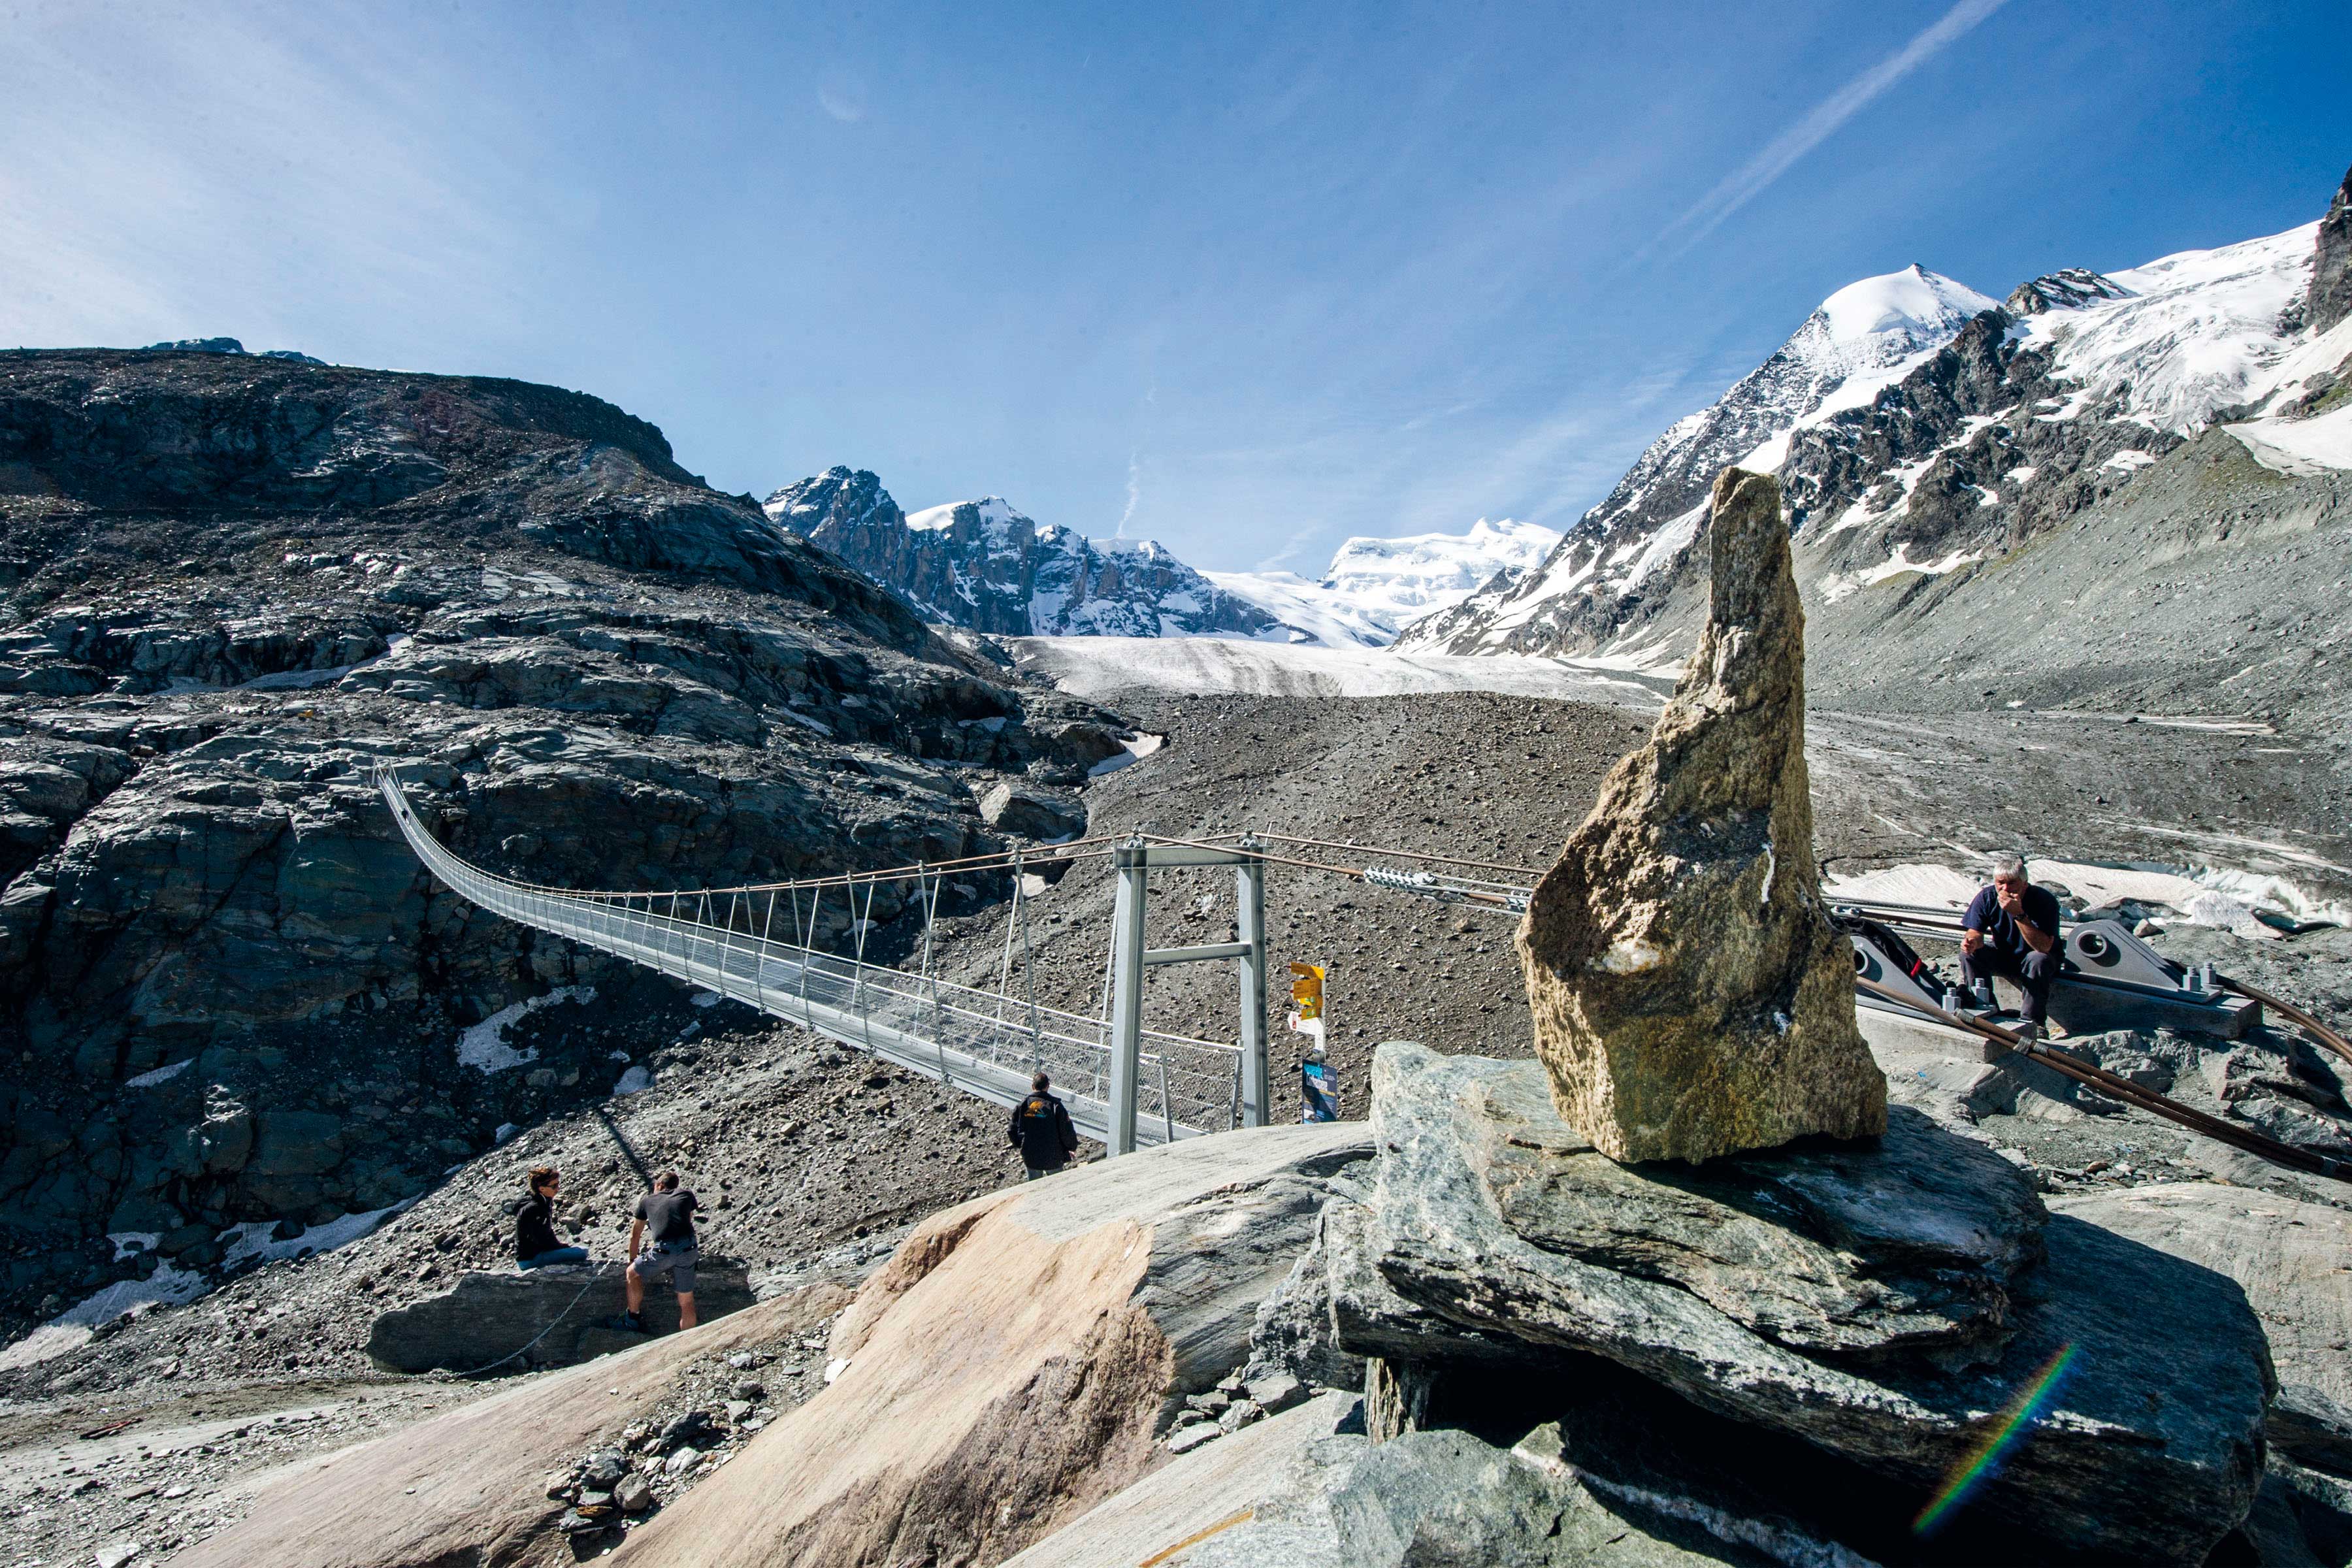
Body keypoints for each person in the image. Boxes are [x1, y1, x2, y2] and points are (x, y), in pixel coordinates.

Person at [1960, 853, 2064, 1039]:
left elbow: (2044, 947)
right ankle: (1986, 1012)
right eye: (2001, 883)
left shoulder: (2043, 900)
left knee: (2037, 959)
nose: (2005, 889)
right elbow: (1974, 931)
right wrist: (1972, 942)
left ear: (2024, 883)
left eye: (2012, 883)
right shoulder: (1988, 897)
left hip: (2040, 959)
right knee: (1969, 955)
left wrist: (2019, 915)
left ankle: (2033, 1023)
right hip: (2006, 956)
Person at [621, 1170, 701, 1333]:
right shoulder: (686, 1194)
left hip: (664, 1249)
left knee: (632, 1273)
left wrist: (632, 1259)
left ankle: (632, 1319)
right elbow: (688, 1218)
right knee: (686, 1300)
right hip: (689, 1248)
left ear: (659, 1185)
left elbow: (635, 1235)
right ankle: (689, 1340)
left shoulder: (647, 1201)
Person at [514, 1166, 588, 1270]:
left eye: (558, 1184)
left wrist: (559, 1246)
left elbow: (546, 1233)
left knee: (570, 1250)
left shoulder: (542, 1201)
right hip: (531, 1259)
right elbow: (541, 1239)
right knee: (582, 1252)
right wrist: (559, 1248)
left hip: (532, 1255)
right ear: (542, 1189)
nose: (558, 1189)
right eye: (554, 1186)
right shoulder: (535, 1208)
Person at [1008, 1071, 1078, 1180]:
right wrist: (1071, 1147)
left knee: (1034, 1188)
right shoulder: (1055, 1105)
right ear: (1048, 1086)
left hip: (1031, 1156)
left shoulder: (1023, 1105)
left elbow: (1012, 1129)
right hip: (1053, 1156)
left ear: (1033, 1086)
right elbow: (1066, 1130)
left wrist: (1021, 1145)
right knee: (1058, 1186)